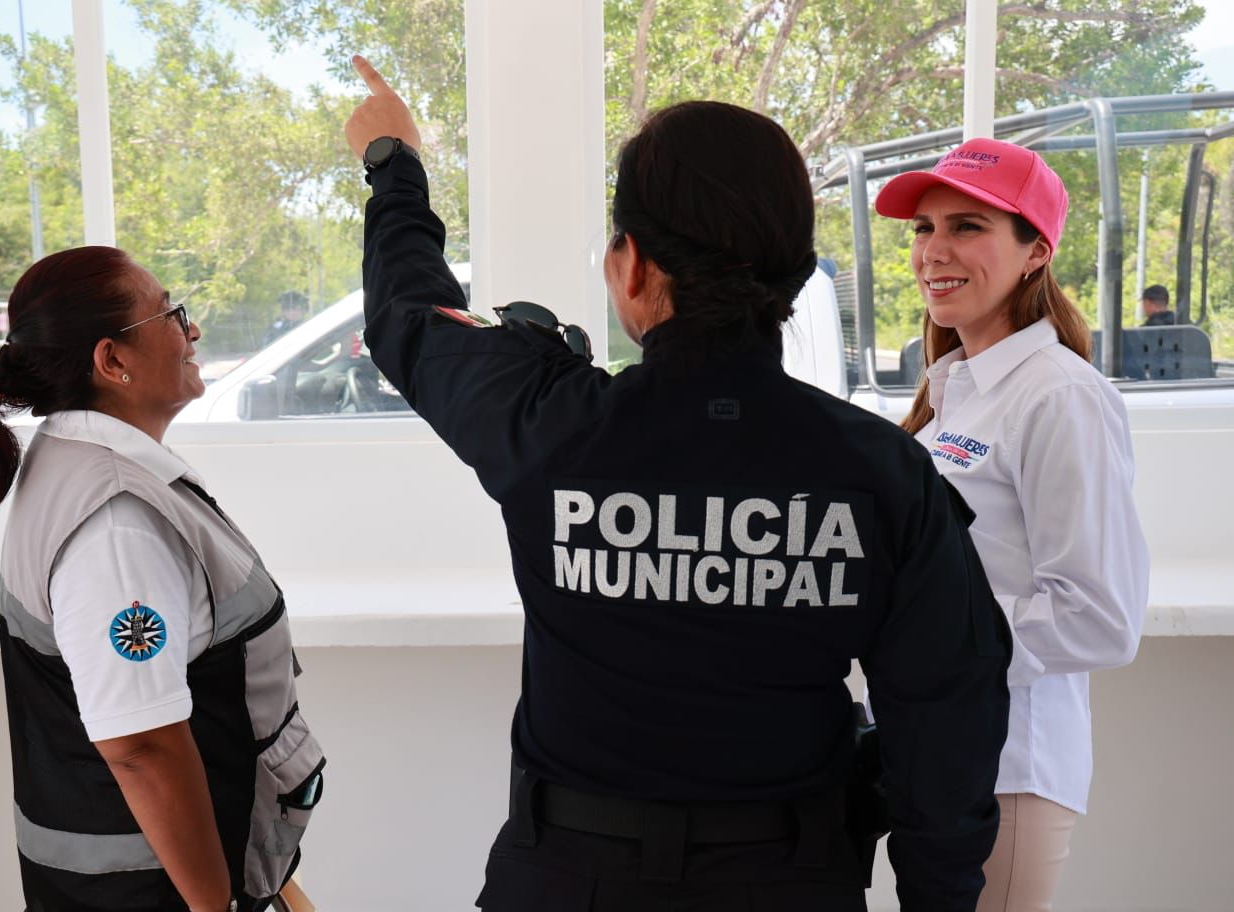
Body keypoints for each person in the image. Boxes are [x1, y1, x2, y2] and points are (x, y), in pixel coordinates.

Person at [346, 56, 1009, 911]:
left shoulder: (547, 423)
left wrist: (394, 163)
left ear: (632, 269)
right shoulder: (881, 470)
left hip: (567, 880)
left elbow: (407, 315)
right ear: (798, 274)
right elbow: (946, 718)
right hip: (790, 879)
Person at [0, 246, 324, 912]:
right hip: (155, 892)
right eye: (172, 314)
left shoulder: (84, 464)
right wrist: (217, 905)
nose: (193, 330)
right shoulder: (116, 522)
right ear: (112, 360)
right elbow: (141, 746)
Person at [875, 138, 1150, 912]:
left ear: (1035, 251)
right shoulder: (957, 388)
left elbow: (1099, 619)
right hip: (936, 758)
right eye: (924, 229)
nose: (934, 251)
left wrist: (918, 646)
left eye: (967, 226)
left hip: (1008, 772)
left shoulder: (1060, 395)